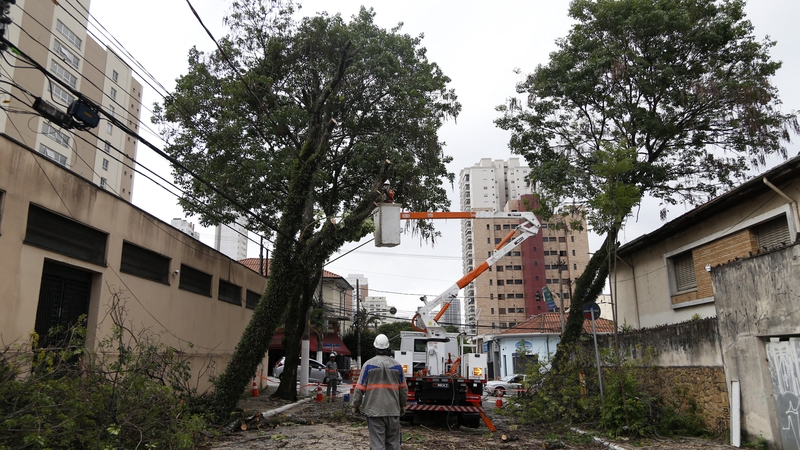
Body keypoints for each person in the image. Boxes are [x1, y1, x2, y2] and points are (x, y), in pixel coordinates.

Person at [352, 334, 408, 450]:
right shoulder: (397, 366)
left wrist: (355, 406)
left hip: (374, 411)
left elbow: (359, 388)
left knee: (377, 444)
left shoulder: (368, 365)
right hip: (392, 410)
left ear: (375, 347)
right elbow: (403, 389)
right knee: (393, 444)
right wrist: (403, 406)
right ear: (387, 348)